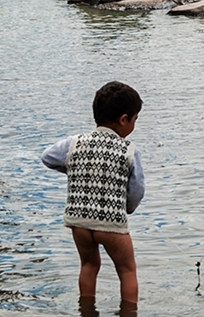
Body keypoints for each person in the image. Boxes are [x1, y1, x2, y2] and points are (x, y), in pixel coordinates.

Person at [42, 81, 145, 308]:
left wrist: (75, 169)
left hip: (79, 221)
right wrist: (127, 208)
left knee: (89, 265)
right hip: (111, 222)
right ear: (124, 119)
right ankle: (129, 313)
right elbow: (137, 191)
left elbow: (47, 157)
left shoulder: (75, 143)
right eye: (135, 119)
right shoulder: (128, 150)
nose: (134, 125)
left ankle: (86, 311)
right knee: (127, 270)